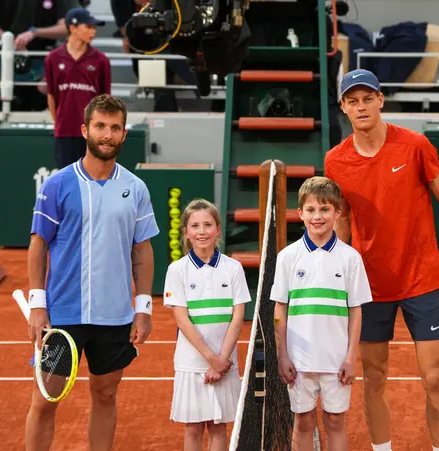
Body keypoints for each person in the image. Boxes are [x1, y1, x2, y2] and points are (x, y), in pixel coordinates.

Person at [324, 68, 439, 451]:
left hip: (421, 280)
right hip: (370, 286)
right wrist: (338, 277)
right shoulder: (335, 161)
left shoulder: (415, 146)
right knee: (374, 377)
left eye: (367, 98)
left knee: (432, 377)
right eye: (352, 101)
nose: (361, 107)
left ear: (380, 100)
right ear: (343, 107)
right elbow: (341, 220)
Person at [25, 94, 159, 451]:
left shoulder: (136, 189)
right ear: (85, 130)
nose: (107, 134)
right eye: (100, 126)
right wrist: (38, 306)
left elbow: (142, 251)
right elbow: (38, 246)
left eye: (114, 128)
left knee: (105, 394)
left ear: (124, 134)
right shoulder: (57, 185)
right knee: (46, 398)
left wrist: (143, 308)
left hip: (115, 316)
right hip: (62, 314)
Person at [271, 176, 373, 451]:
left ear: (337, 212)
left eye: (325, 209)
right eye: (312, 210)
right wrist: (282, 355)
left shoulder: (350, 258)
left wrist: (351, 356)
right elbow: (280, 308)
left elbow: (355, 310)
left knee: (336, 422)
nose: (318, 217)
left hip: (337, 360)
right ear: (300, 213)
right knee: (302, 422)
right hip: (299, 361)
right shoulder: (287, 257)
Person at [163, 198, 251, 451]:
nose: (202, 232)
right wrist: (213, 359)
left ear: (218, 230)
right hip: (192, 364)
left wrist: (222, 360)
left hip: (225, 362)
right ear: (186, 233)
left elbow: (237, 318)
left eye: (208, 225)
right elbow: (182, 320)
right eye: (195, 226)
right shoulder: (177, 270)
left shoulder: (233, 268)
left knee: (217, 427)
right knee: (192, 428)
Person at [44, 8, 110, 169]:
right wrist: (58, 122)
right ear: (72, 28)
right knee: (67, 181)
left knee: (92, 180)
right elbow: (51, 95)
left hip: (92, 134)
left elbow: (105, 100)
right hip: (64, 132)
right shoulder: (52, 59)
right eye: (88, 27)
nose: (93, 31)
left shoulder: (101, 61)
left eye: (94, 28)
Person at [0, 0, 70, 111]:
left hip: (38, 54)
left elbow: (65, 28)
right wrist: (5, 37)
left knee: (50, 80)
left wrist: (35, 32)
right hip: (0, 50)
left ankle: (38, 111)